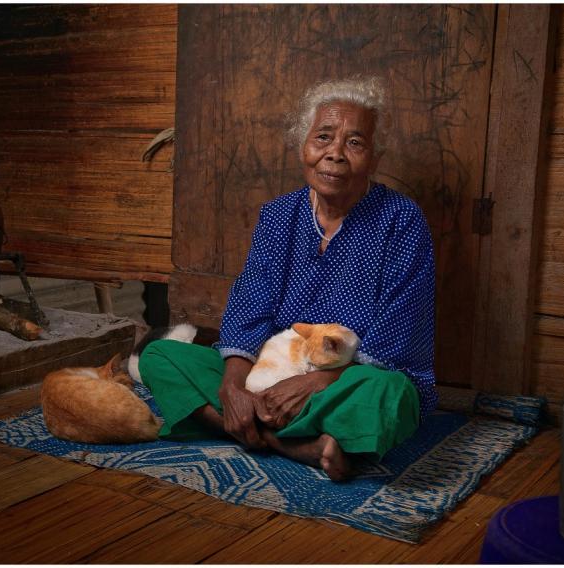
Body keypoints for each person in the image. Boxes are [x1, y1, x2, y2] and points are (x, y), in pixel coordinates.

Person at [139, 76, 437, 481]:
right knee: (161, 356)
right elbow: (249, 307)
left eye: (355, 143)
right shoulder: (279, 215)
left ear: (375, 158)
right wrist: (234, 388)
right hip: (270, 374)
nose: (335, 154)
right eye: (324, 138)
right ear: (304, 146)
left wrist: (316, 382)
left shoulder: (401, 221)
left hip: (345, 381)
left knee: (392, 394)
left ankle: (248, 428)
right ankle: (295, 444)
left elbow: (398, 336)